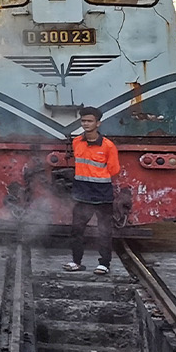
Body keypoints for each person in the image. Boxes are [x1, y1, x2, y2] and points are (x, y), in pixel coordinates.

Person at [64, 105, 120, 276]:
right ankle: (76, 262)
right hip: (82, 194)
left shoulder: (108, 146)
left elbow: (114, 169)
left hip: (102, 194)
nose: (86, 124)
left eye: (89, 121)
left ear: (98, 123)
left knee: (104, 231)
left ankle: (104, 263)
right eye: (83, 121)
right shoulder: (76, 142)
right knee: (76, 230)